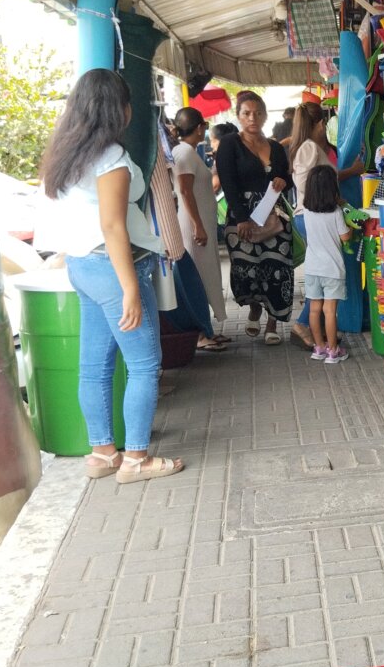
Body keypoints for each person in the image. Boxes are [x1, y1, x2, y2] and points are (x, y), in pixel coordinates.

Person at [35, 68, 183, 483]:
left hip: (83, 266)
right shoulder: (111, 159)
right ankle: (136, 459)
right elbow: (113, 226)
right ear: (117, 110)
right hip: (114, 267)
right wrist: (131, 287)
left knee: (94, 367)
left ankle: (102, 454)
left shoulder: (67, 155)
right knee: (143, 364)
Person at [214, 91, 294, 344]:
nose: (253, 118)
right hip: (243, 214)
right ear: (238, 116)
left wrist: (283, 180)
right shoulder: (230, 143)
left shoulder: (275, 146)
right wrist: (241, 218)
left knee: (278, 268)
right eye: (247, 113)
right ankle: (254, 308)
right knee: (246, 269)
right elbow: (228, 182)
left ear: (265, 116)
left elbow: (286, 177)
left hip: (274, 214)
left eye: (258, 113)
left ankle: (273, 323)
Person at [287, 101, 367, 349]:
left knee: (322, 274)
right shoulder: (310, 149)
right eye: (325, 123)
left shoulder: (305, 148)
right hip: (315, 218)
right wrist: (352, 171)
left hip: (311, 218)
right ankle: (302, 324)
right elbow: (310, 183)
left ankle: (316, 328)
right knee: (327, 274)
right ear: (319, 124)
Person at [171, 107, 228, 350]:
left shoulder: (188, 152)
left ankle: (206, 330)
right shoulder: (183, 153)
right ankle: (199, 333)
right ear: (200, 128)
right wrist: (198, 225)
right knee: (195, 279)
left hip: (199, 223)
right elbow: (185, 190)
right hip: (193, 226)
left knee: (204, 276)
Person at [299, 165, 351, 363]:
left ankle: (319, 348)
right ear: (333, 188)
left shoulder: (306, 210)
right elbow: (345, 237)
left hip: (312, 268)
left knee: (314, 309)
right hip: (332, 269)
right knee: (330, 311)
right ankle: (333, 350)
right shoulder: (336, 212)